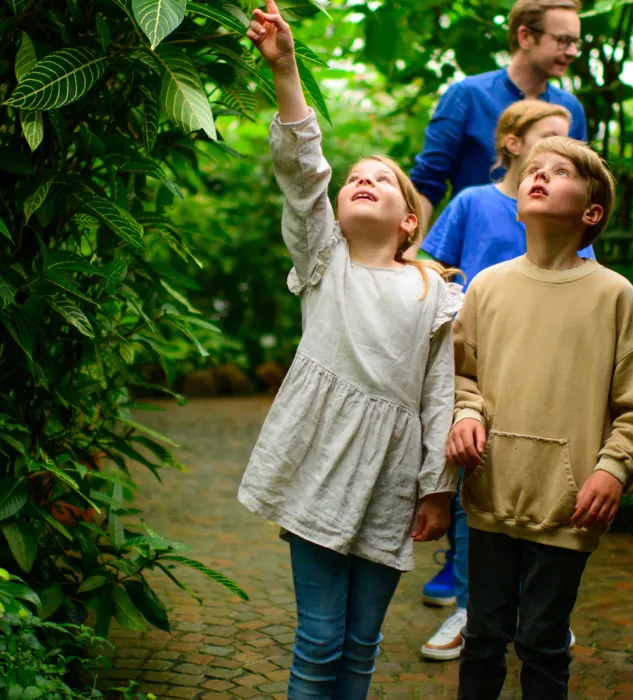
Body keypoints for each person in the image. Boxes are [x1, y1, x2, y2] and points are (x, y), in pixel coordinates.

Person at [237, 3, 462, 698]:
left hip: (394, 479)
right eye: (355, 177)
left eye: (384, 178)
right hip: (321, 462)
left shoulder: (436, 293)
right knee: (319, 642)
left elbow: (440, 395)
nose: (363, 180)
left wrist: (438, 490)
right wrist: (285, 68)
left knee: (361, 649)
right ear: (336, 213)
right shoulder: (323, 263)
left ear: (409, 220)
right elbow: (303, 172)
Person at [447, 136, 633, 699]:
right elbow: (458, 377)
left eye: (559, 172)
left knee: (543, 641)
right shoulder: (487, 286)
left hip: (568, 507)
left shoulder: (614, 295)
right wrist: (465, 415)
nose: (538, 176)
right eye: (532, 170)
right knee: (482, 639)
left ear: (591, 211)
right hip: (491, 496)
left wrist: (614, 469)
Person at [416, 99, 587, 662]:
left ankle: (541, 613)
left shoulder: (569, 215)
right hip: (477, 371)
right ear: (513, 143)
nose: (560, 148)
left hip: (545, 377)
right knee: (474, 487)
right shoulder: (472, 203)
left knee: (541, 481)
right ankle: (472, 608)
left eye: (569, 140)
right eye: (548, 137)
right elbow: (432, 267)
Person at [408, 0, 589, 230]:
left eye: (576, 42)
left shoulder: (570, 109)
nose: (572, 52)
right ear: (524, 37)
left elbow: (579, 191)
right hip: (475, 247)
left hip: (547, 253)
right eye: (563, 41)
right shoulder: (467, 95)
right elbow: (426, 183)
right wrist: (407, 254)